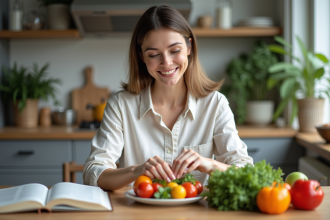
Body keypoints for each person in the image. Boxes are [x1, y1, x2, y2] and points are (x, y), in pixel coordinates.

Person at [83, 5, 253, 191]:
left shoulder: (215, 104)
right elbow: (93, 172)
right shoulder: (120, 105)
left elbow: (246, 172)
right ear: (141, 56)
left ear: (189, 46)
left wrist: (210, 164)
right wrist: (134, 171)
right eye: (154, 54)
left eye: (174, 50)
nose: (166, 62)